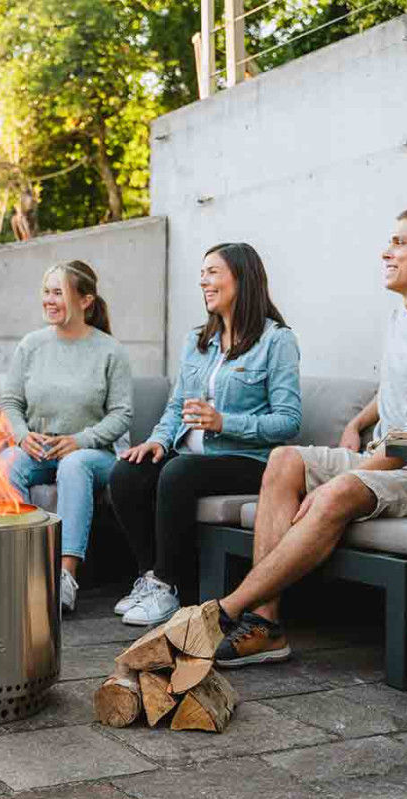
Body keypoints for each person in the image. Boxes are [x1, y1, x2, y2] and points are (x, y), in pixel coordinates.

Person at [212, 205, 407, 668]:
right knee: (284, 459)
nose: (387, 251)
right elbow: (396, 391)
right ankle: (266, 624)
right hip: (389, 457)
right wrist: (356, 423)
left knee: (337, 490)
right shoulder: (404, 317)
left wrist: (341, 483)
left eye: (400, 242)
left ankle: (229, 607)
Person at [110, 242, 301, 626]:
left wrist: (223, 422)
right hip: (190, 454)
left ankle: (168, 582)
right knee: (127, 472)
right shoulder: (197, 342)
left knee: (178, 473)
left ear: (242, 278)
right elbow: (176, 404)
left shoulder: (276, 341)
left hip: (249, 460)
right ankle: (154, 579)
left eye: (212, 272)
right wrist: (159, 441)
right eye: (202, 274)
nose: (203, 281)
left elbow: (288, 420)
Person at [0, 260, 133, 613]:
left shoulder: (110, 350)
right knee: (6, 464)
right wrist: (21, 435)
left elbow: (122, 413)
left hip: (94, 454)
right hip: (40, 447)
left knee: (73, 465)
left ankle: (64, 578)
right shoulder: (31, 345)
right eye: (46, 292)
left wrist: (81, 440)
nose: (49, 300)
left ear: (85, 300)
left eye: (58, 292)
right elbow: (11, 401)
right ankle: (21, 568)